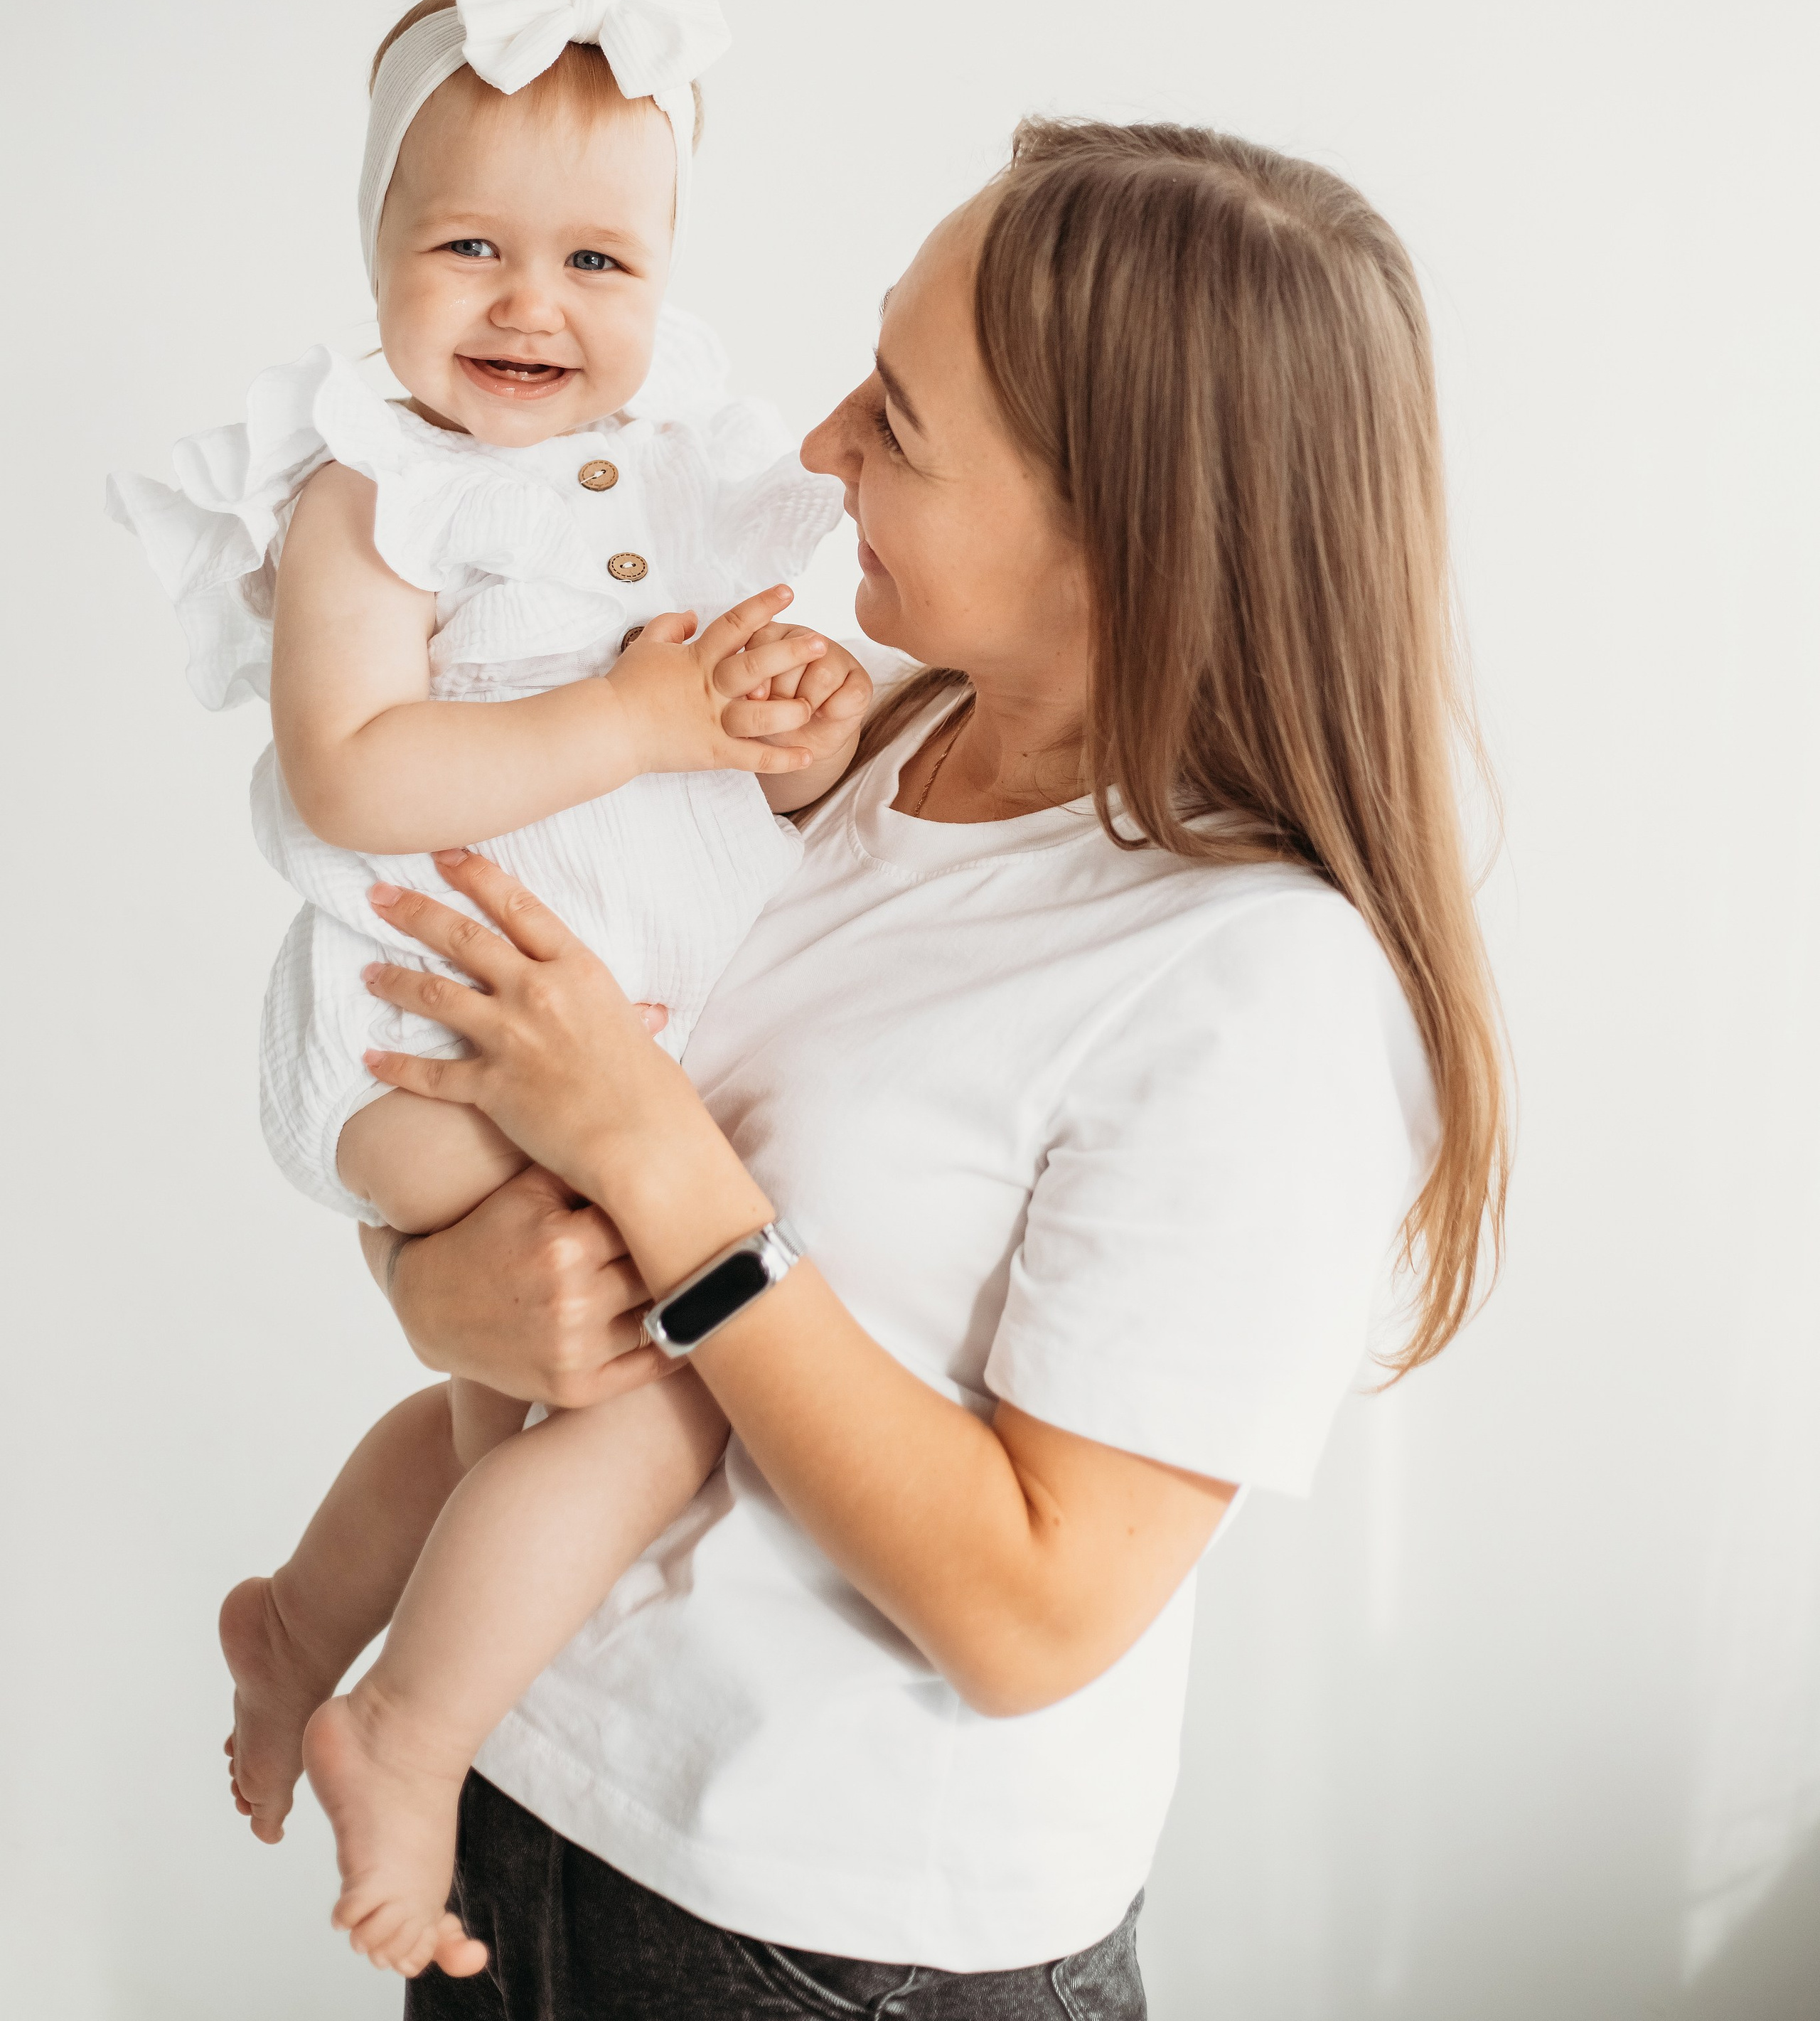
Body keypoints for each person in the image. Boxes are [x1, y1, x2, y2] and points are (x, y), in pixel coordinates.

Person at [349, 117, 1510, 2020]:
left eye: (896, 419)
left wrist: (657, 1165)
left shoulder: (1259, 986)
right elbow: (510, 1149)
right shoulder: (855, 749)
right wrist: (435, 1289)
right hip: (528, 1811)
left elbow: (1032, 1618)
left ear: (1119, 526)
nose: (820, 449)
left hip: (828, 1949)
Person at [107, 0, 872, 1981]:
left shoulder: (689, 465)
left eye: (597, 259)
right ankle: (412, 1735)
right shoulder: (372, 488)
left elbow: (749, 726)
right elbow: (350, 770)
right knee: (661, 1384)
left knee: (518, 1415)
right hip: (422, 1027)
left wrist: (789, 726)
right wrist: (629, 722)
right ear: (376, 249)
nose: (532, 304)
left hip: (597, 1027)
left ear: (670, 274)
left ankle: (302, 1623)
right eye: (470, 247)